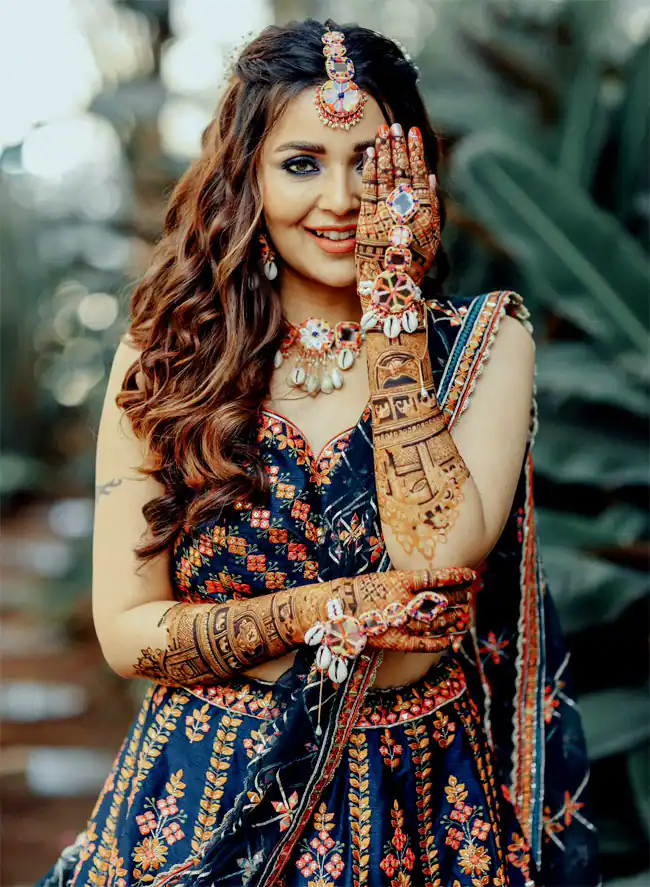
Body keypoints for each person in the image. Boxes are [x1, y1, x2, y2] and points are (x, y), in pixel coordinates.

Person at [38, 19, 599, 887]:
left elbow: (433, 556)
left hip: (416, 810)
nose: (341, 199)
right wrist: (326, 609)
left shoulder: (484, 346)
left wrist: (392, 308)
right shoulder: (169, 359)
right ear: (248, 177)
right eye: (303, 163)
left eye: (371, 164)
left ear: (416, 176)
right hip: (202, 809)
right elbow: (126, 629)